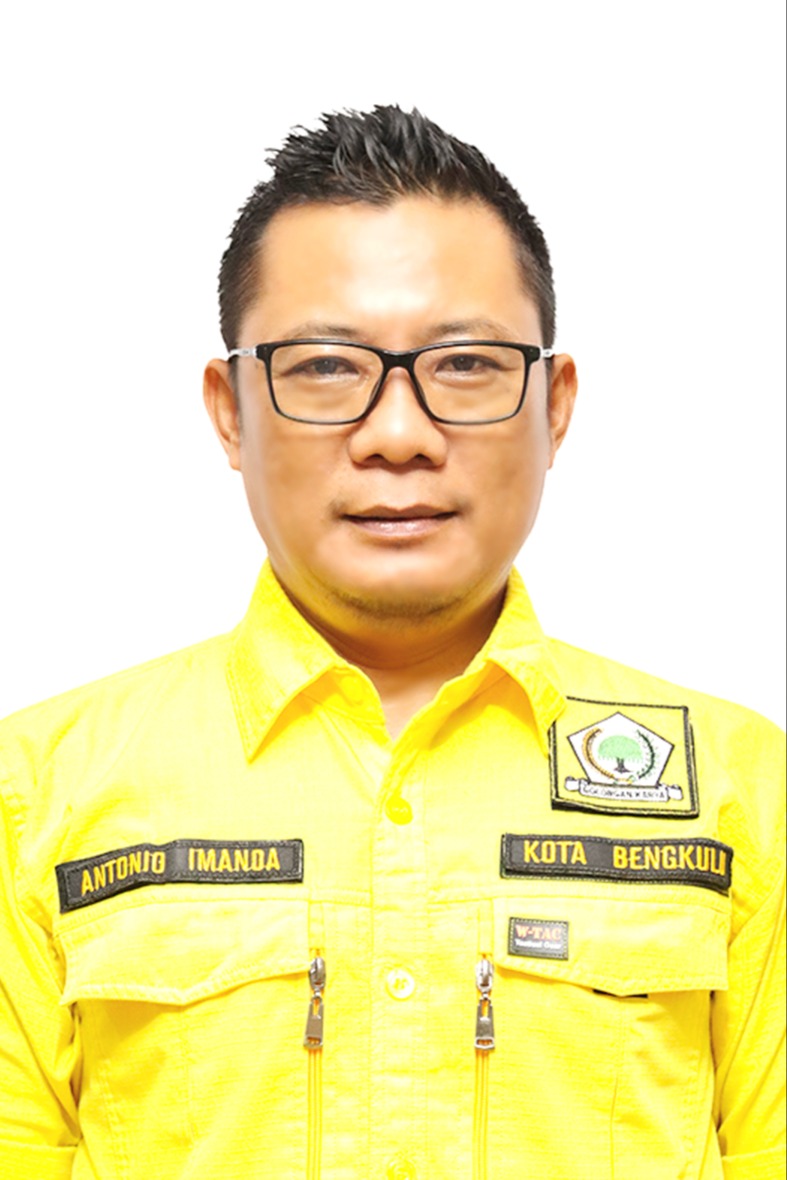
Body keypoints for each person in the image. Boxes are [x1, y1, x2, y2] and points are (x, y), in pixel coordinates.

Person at [0, 105, 783, 1180]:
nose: (398, 435)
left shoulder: (741, 789)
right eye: (326, 366)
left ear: (554, 407)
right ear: (230, 412)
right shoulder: (37, 793)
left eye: (464, 364)